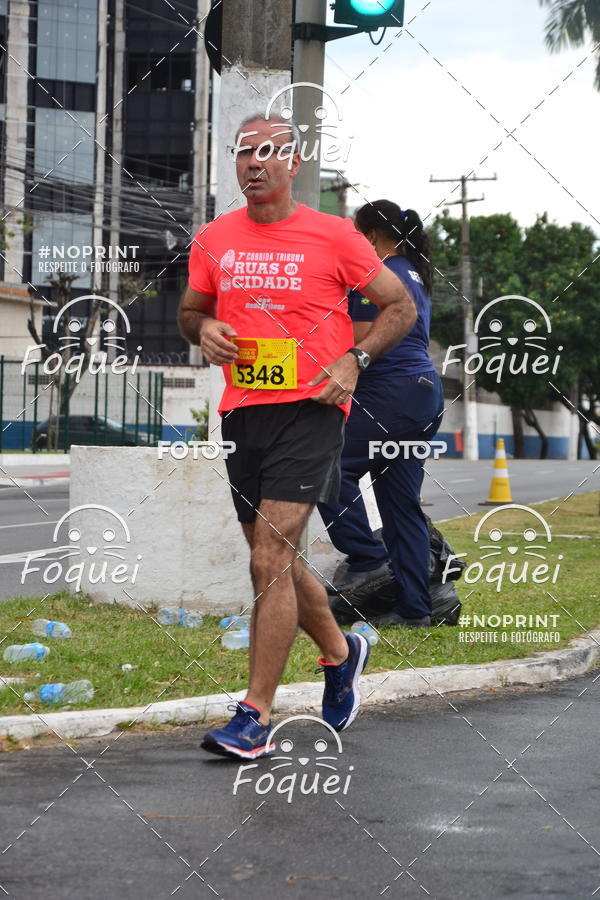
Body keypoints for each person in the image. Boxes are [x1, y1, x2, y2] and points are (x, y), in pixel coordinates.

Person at [178, 114, 417, 759]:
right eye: (244, 153)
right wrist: (202, 331)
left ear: (294, 161)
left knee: (267, 559)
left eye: (269, 153)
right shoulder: (215, 239)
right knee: (278, 559)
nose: (255, 163)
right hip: (244, 412)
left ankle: (253, 715)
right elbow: (190, 311)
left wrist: (355, 361)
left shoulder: (335, 235)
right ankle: (342, 656)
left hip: (312, 410)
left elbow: (401, 307)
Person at [318, 200, 444, 628]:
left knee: (326, 465)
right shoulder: (414, 271)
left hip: (391, 391)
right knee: (400, 504)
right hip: (423, 394)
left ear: (369, 236)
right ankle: (415, 610)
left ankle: (370, 559)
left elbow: (356, 340)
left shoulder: (375, 273)